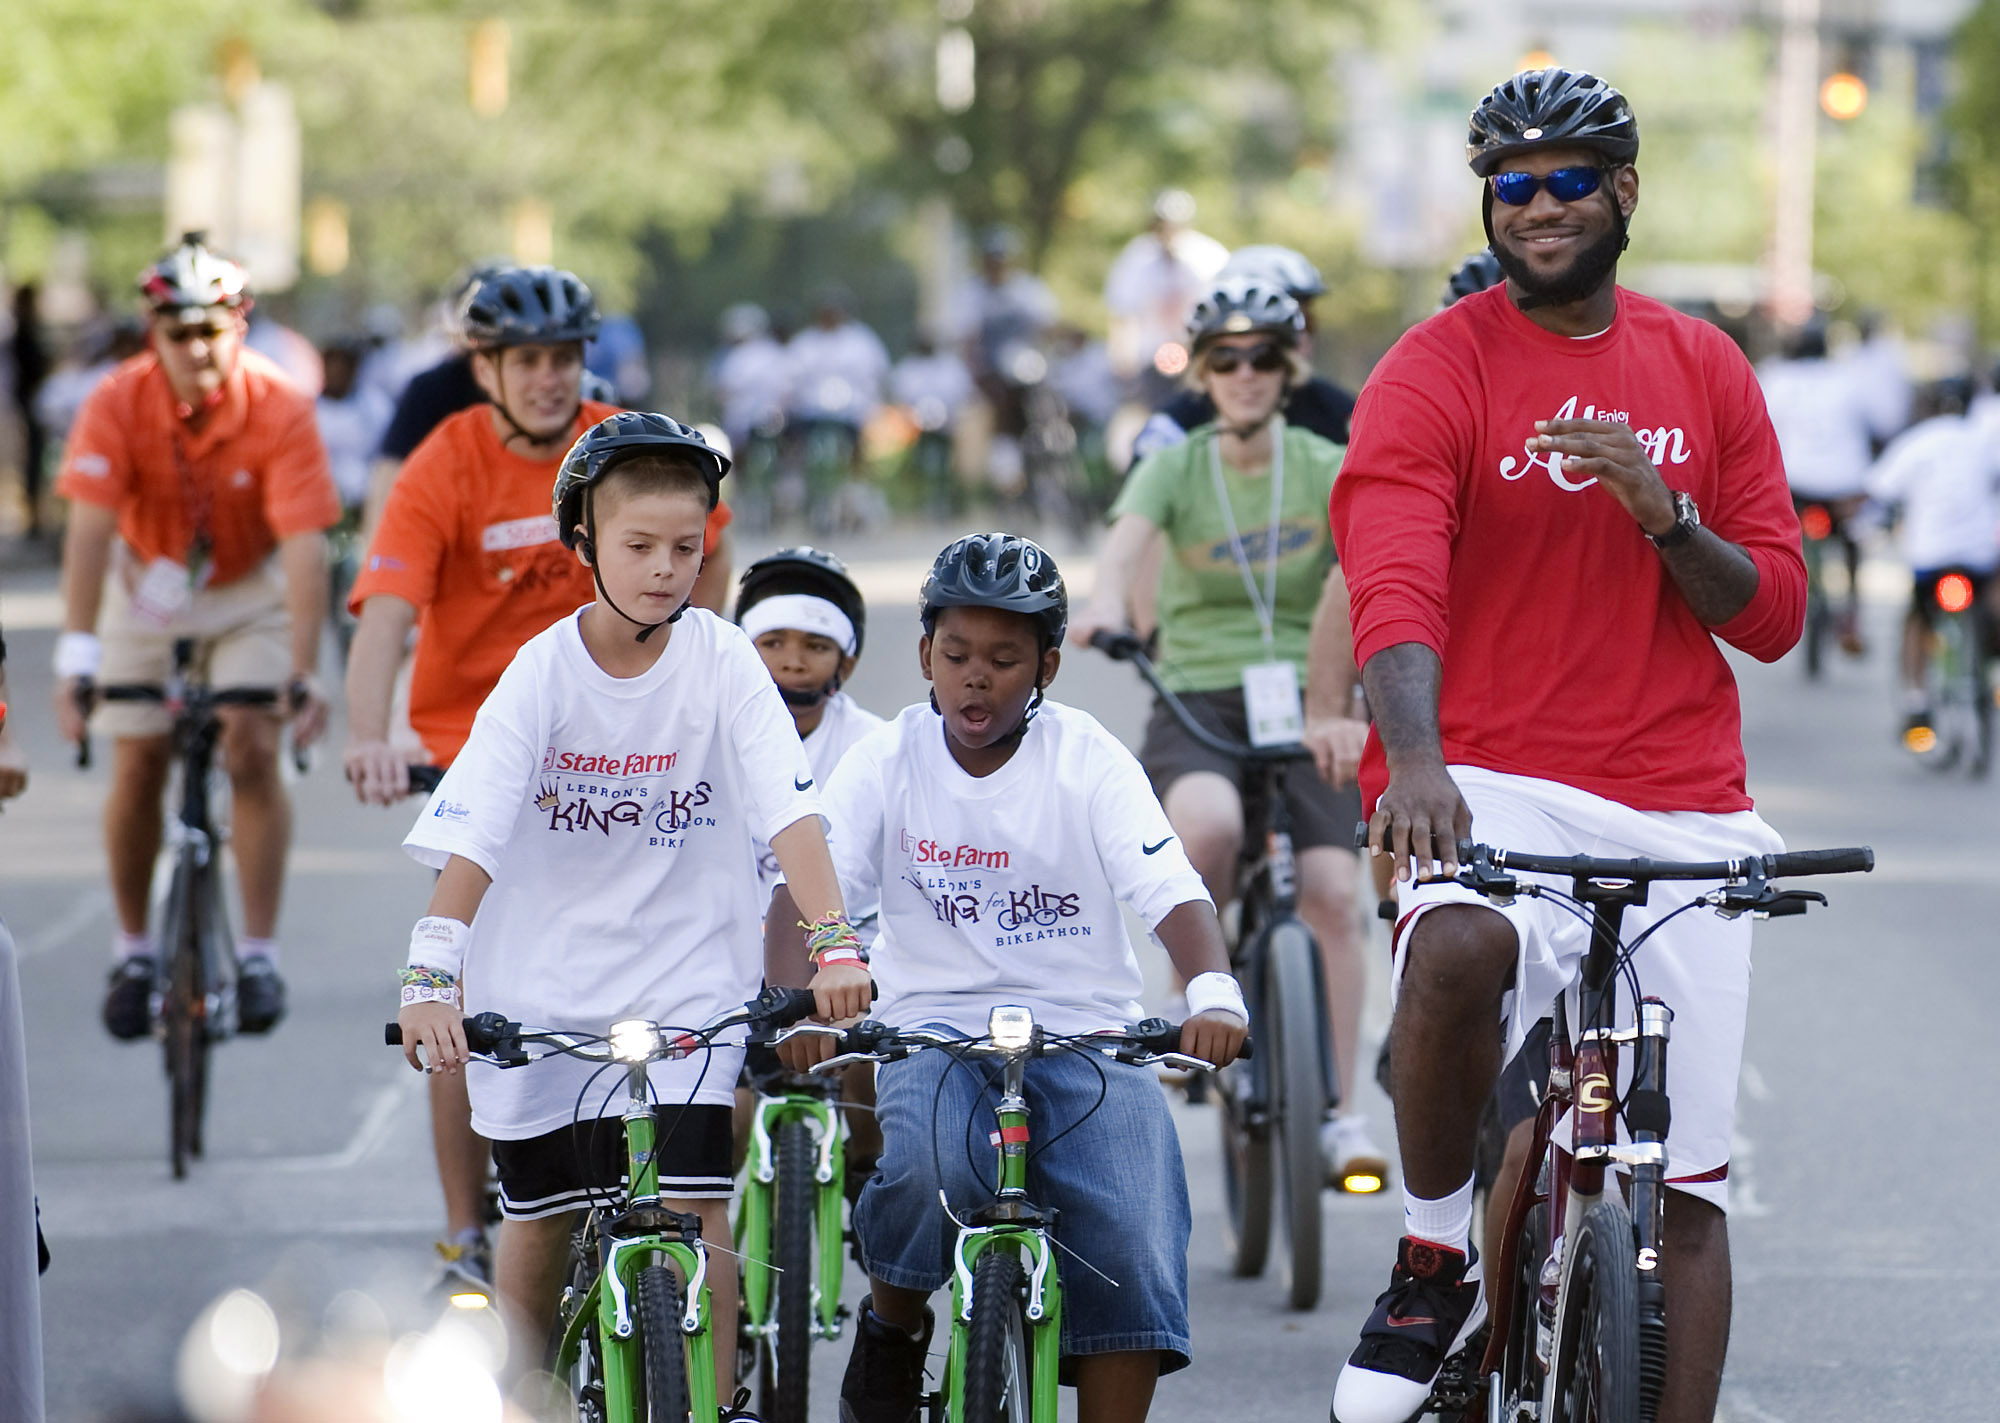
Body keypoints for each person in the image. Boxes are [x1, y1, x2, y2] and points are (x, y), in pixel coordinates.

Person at [1319, 69, 1805, 1423]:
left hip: (1683, 805)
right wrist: (1416, 763)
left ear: (1623, 192)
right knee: (1460, 944)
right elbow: (1396, 576)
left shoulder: (1703, 364)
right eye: (1512, 184)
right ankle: (1430, 1255)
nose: (1538, 206)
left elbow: (1774, 610)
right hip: (1483, 777)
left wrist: (1664, 514)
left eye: (1568, 179)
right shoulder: (1438, 364)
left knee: (1686, 1189)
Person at [391, 411, 872, 1383]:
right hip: (541, 990)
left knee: (699, 1203)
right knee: (539, 1215)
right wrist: (431, 974)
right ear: (583, 542)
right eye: (638, 545)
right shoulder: (540, 673)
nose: (664, 568)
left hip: (687, 982)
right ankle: (519, 1396)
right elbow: (473, 834)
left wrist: (835, 945)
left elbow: (791, 814)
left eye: (686, 548)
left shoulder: (723, 659)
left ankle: (721, 1395)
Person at [766, 532, 1247, 1423]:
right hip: (932, 1031)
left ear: (1048, 666)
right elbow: (809, 884)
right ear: (924, 657)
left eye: (1003, 658)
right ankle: (894, 1325)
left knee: (1135, 1233)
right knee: (923, 1169)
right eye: (955, 655)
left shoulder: (1086, 755)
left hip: (1087, 1032)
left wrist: (1212, 988)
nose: (975, 677)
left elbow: (1167, 884)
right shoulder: (890, 757)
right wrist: (796, 1000)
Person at [343, 265, 730, 1291]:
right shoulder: (444, 462)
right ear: (486, 367)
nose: (553, 378)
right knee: (465, 994)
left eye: (567, 357)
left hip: (617, 752)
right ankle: (470, 1227)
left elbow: (709, 568)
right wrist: (367, 731)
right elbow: (384, 610)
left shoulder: (626, 445)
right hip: (476, 747)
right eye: (530, 361)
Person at [1070, 274, 1382, 1189]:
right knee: (1207, 826)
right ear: (1202, 373)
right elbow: (1122, 548)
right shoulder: (1177, 461)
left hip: (1313, 698)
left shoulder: (1326, 464)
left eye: (1264, 359)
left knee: (1329, 891)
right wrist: (1098, 609)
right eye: (1226, 360)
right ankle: (1193, 990)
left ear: (1290, 370)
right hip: (1198, 693)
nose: (1245, 374)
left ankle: (1342, 1116)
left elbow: (1373, 558)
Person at [52, 232, 337, 1042]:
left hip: (247, 590)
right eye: (177, 332)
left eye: (211, 328)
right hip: (147, 586)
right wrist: (77, 658)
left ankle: (256, 951)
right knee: (138, 755)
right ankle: (135, 949)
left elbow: (307, 547)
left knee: (251, 739)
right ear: (154, 334)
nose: (195, 348)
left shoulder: (280, 405)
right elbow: (88, 532)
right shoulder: (116, 399)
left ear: (240, 328)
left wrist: (307, 672)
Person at [734, 546, 885, 901]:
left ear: (845, 665)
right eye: (772, 642)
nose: (793, 662)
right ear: (740, 652)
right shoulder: (703, 736)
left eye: (816, 647)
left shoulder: (875, 747)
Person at [1864, 377, 2000, 750]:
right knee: (1992, 593)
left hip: (1932, 557)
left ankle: (1917, 701)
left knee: (1917, 621)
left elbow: (1880, 490)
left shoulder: (1918, 441)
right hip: (1978, 555)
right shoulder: (1984, 442)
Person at [1130, 244, 1355, 461]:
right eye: (1226, 358)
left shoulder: (1337, 412)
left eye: (1308, 323)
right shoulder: (1176, 426)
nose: (1246, 373)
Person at [1759, 319, 1874, 656]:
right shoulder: (1849, 379)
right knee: (1854, 541)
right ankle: (1852, 611)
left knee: (1788, 536)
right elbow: (1878, 422)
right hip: (1843, 486)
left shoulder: (1775, 377)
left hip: (1796, 484)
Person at [1103, 190, 1229, 408]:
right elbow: (1123, 312)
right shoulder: (1136, 258)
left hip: (1198, 355)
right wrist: (1123, 358)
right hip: (1151, 358)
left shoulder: (1210, 257)